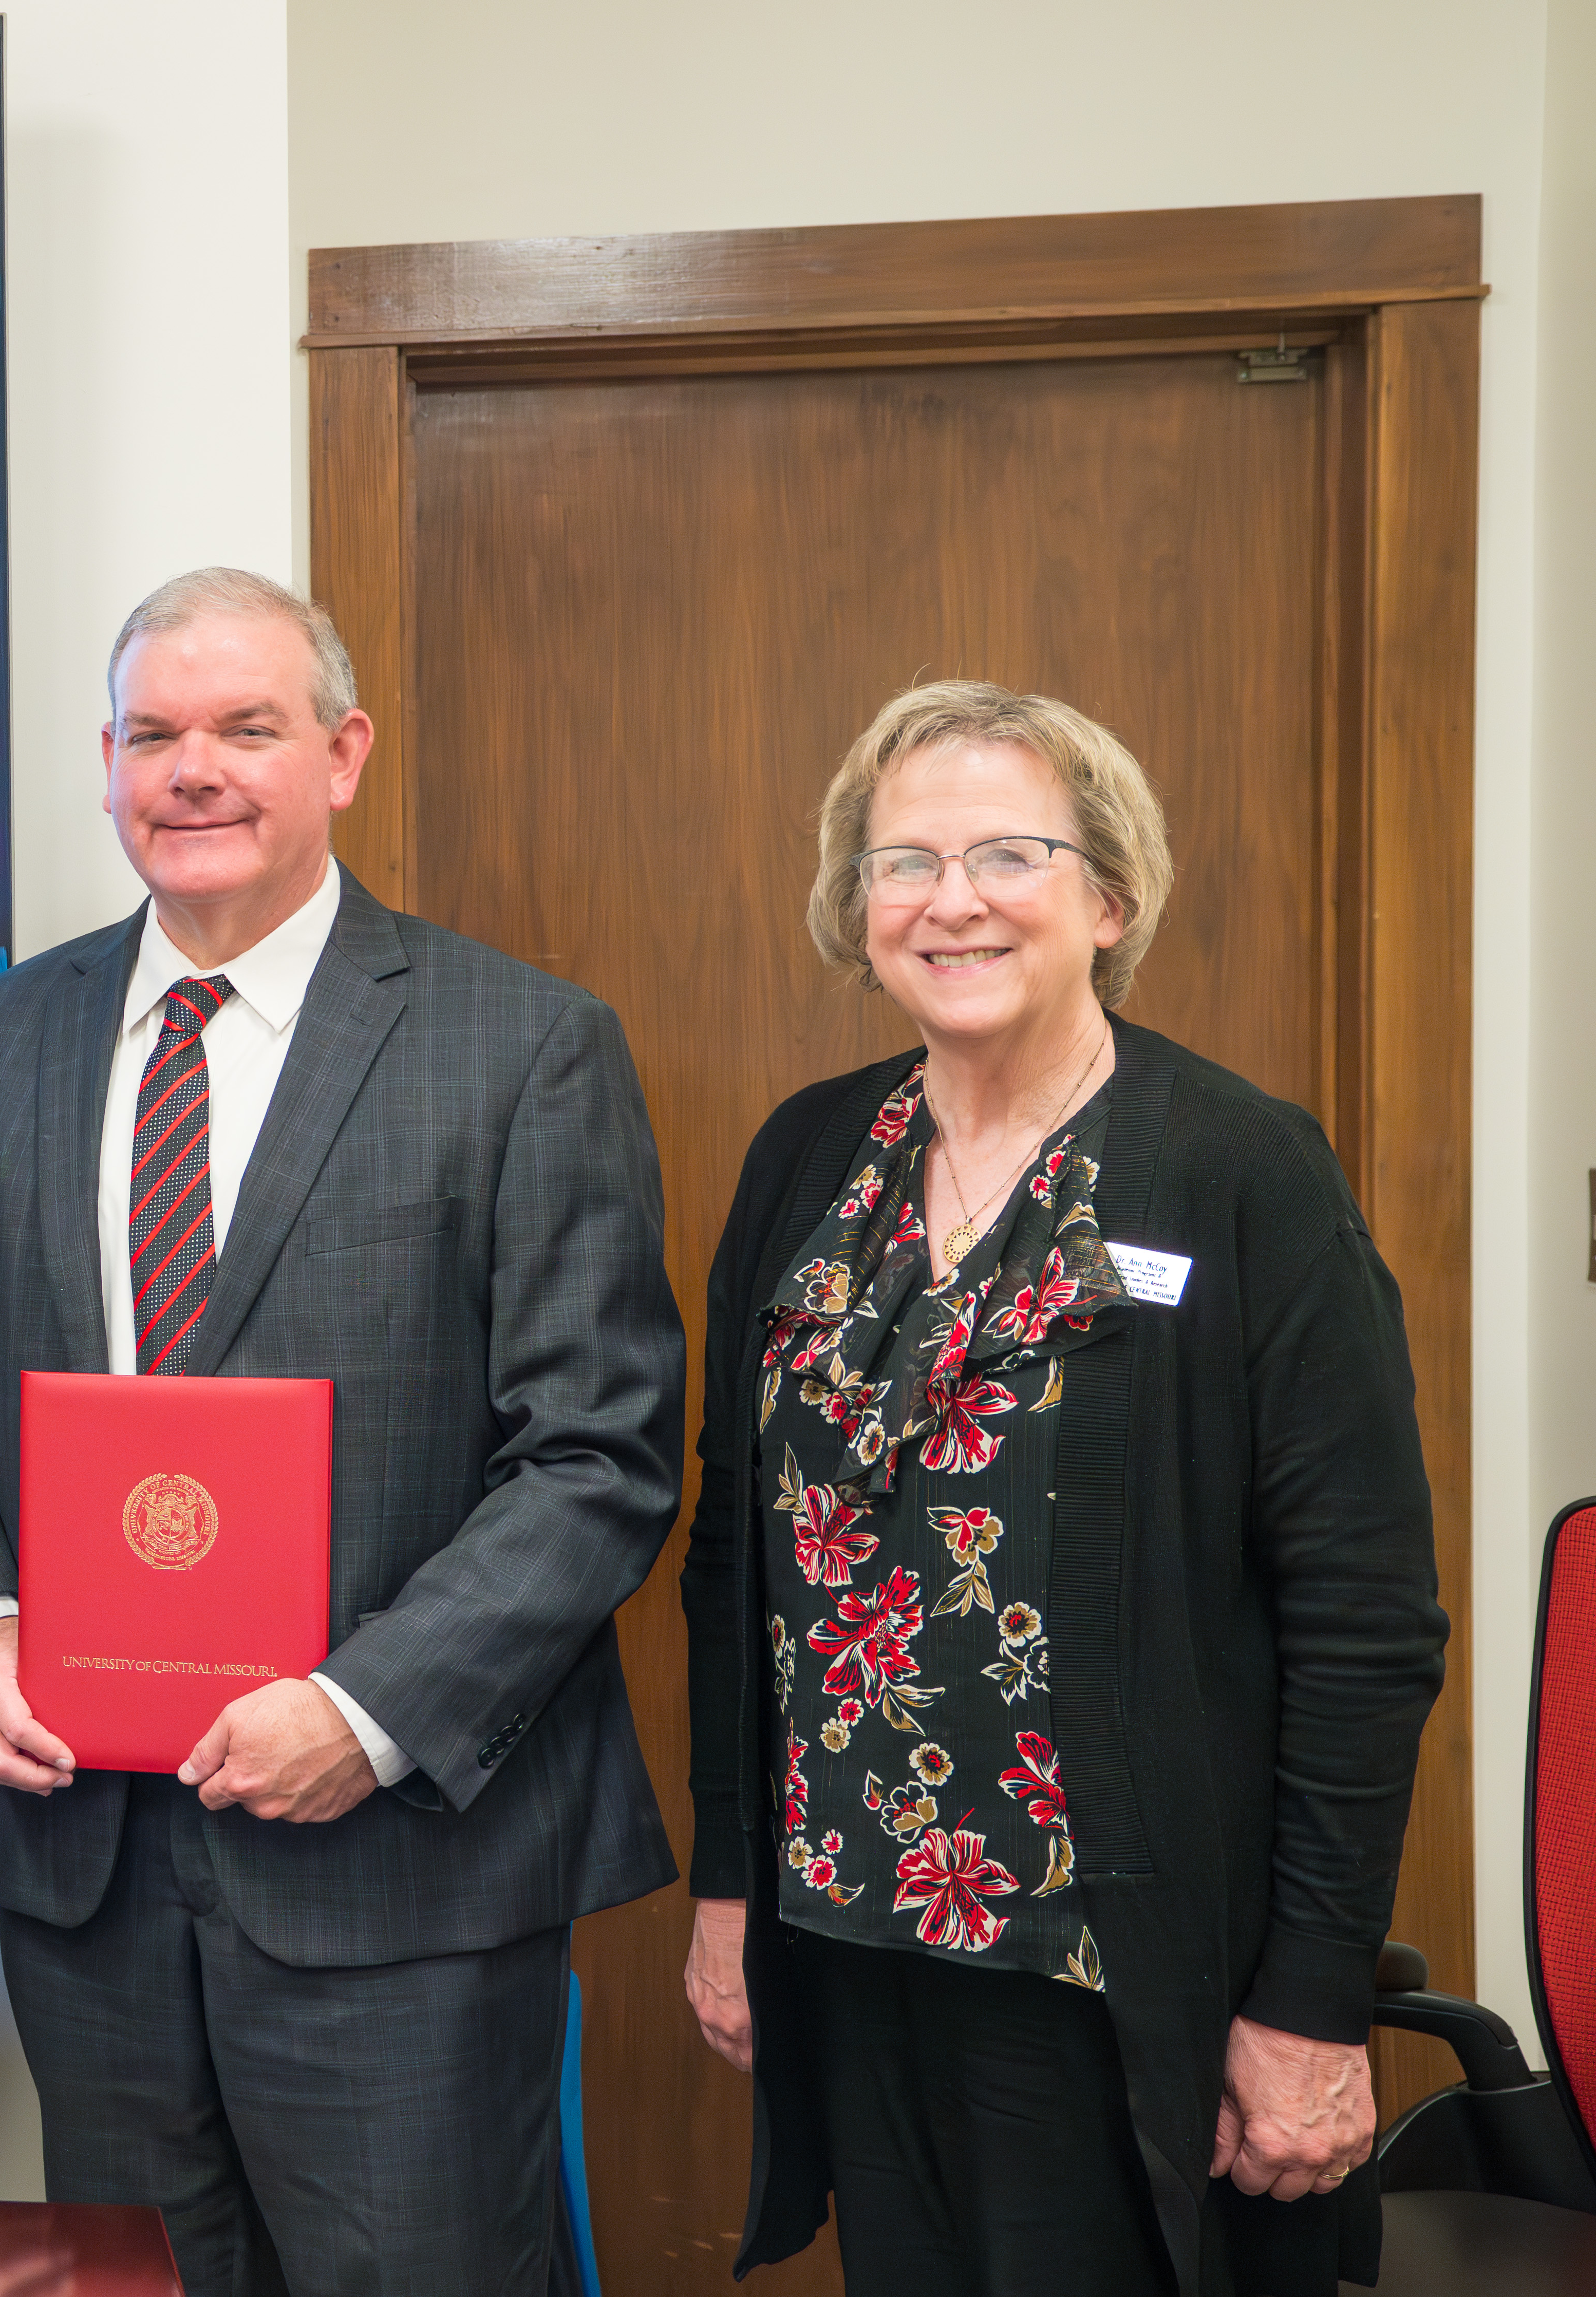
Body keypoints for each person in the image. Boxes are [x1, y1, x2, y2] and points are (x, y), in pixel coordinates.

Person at [0, 567, 685, 2294]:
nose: (196, 771)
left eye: (247, 728)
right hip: (87, 1873)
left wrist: (364, 1708)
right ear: (103, 767)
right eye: (154, 734)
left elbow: (598, 1453)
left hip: (401, 1869)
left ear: (344, 753)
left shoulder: (523, 1046)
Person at [675, 682, 1445, 2296]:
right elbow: (731, 1560)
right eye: (903, 864)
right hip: (851, 1938)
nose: (951, 900)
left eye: (1008, 854)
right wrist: (734, 1891)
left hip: (1113, 1965)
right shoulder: (812, 1158)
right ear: (855, 911)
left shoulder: (1240, 1172)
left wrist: (1310, 2003)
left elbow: (1364, 1624)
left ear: (1109, 897)